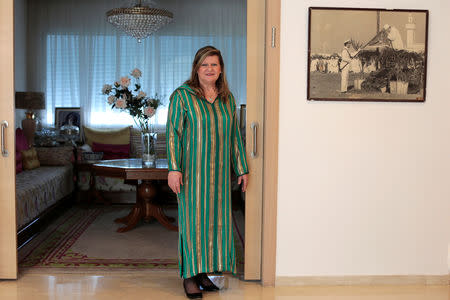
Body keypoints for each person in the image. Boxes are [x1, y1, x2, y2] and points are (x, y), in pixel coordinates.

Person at [166, 46, 249, 299]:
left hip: (220, 176)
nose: (210, 69)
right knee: (193, 226)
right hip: (192, 175)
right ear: (196, 69)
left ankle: (205, 274)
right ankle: (190, 277)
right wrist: (174, 168)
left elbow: (235, 137)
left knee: (216, 226)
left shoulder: (227, 98)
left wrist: (242, 168)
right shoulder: (182, 96)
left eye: (214, 64)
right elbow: (173, 134)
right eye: (204, 65)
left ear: (221, 68)